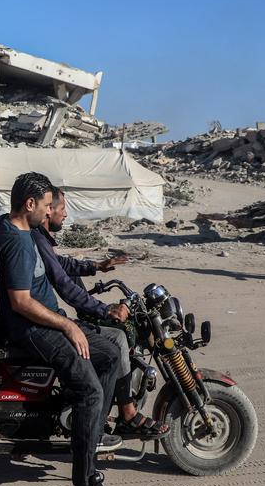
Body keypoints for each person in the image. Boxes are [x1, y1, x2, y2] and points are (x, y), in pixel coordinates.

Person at [0, 172, 125, 486]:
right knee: (90, 392)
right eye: (48, 206)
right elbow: (20, 301)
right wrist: (68, 326)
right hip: (34, 328)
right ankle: (85, 485)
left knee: (111, 352)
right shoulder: (17, 241)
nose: (50, 212)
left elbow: (56, 269)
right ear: (29, 204)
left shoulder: (7, 226)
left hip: (45, 320)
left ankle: (87, 435)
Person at [34, 188, 169, 440]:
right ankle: (106, 422)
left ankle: (117, 412)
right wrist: (103, 309)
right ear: (46, 209)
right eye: (62, 208)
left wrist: (96, 266)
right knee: (116, 342)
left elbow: (63, 265)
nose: (66, 214)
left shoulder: (42, 240)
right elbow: (63, 284)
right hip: (44, 322)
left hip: (49, 315)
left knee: (113, 337)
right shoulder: (36, 239)